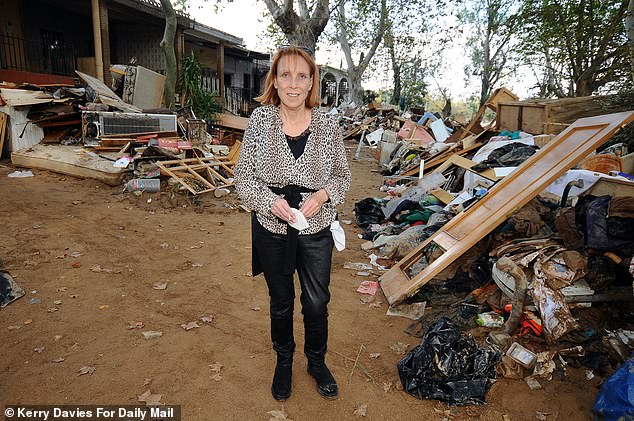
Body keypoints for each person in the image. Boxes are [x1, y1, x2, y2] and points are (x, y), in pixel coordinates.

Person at [234, 45, 351, 401]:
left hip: (316, 229)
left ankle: (316, 361)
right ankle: (283, 360)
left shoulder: (329, 125)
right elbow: (243, 176)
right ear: (275, 80)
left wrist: (321, 196)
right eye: (286, 75)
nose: (294, 83)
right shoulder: (260, 121)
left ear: (312, 81)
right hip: (271, 228)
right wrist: (271, 202)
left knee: (317, 302)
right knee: (281, 300)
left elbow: (342, 176)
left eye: (302, 75)